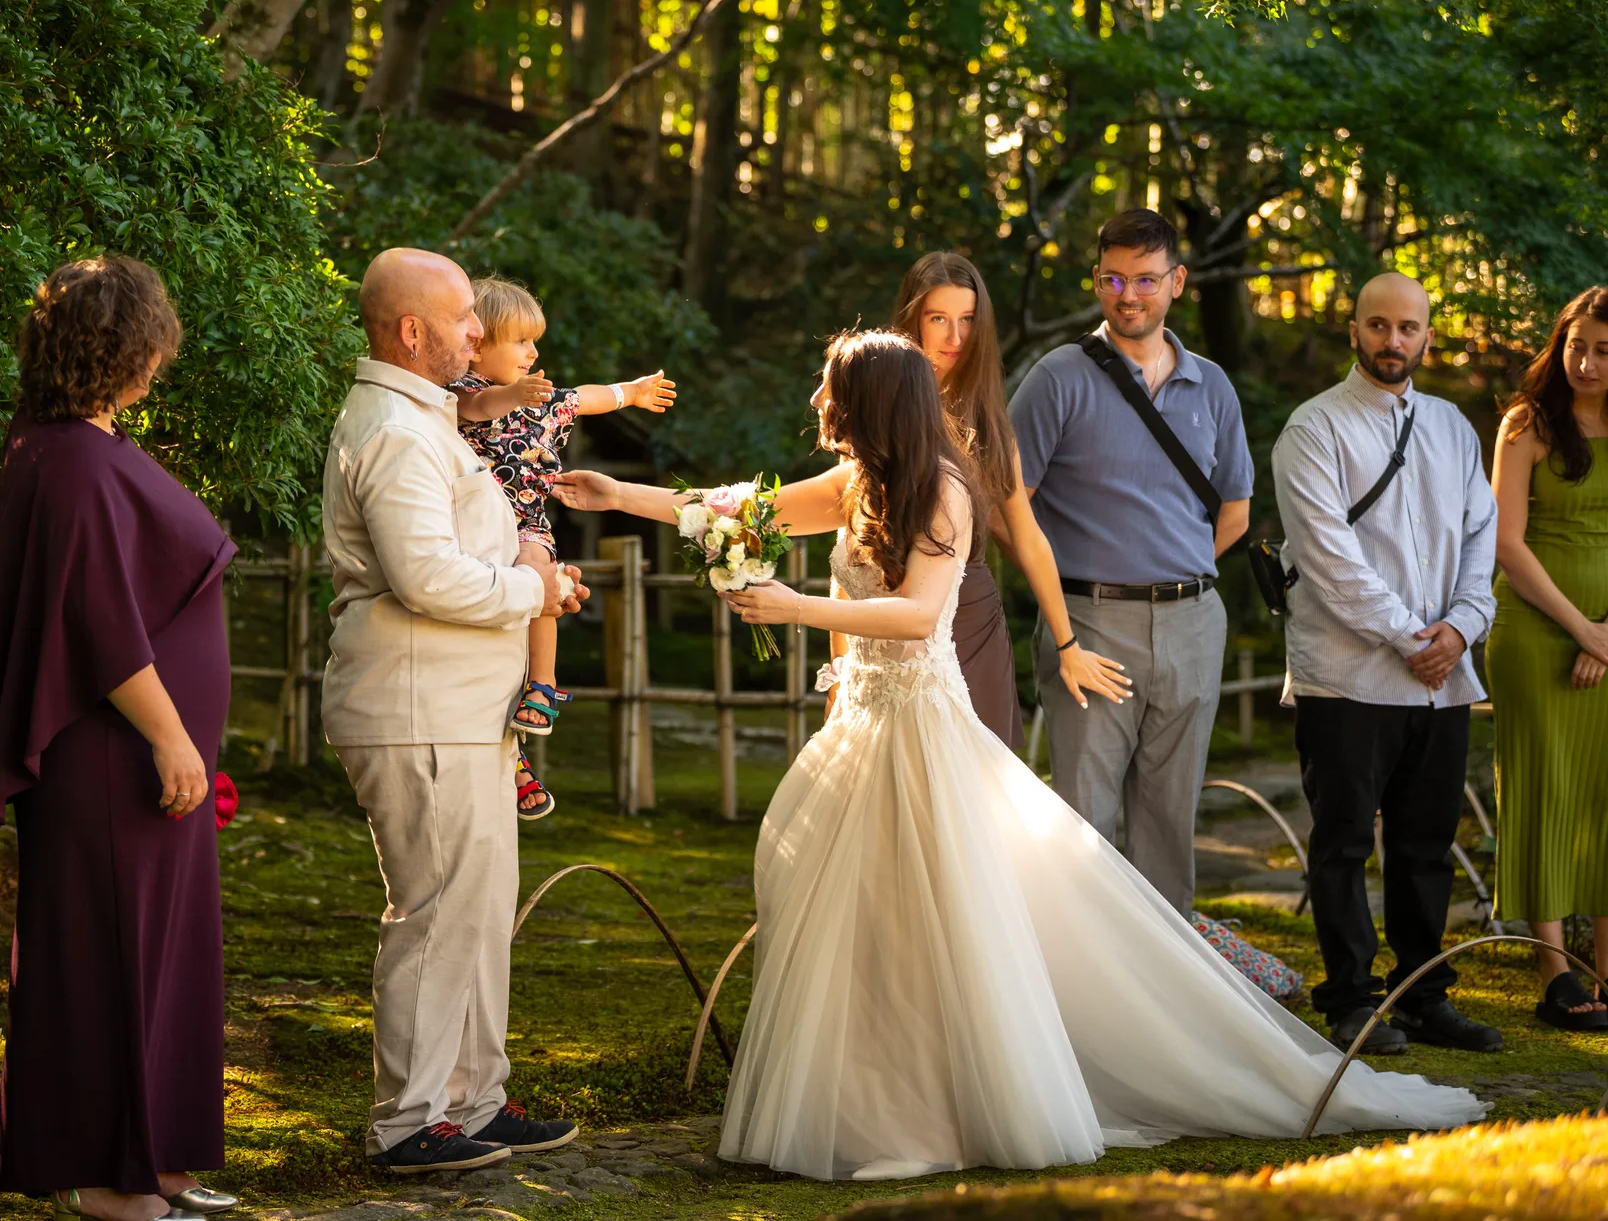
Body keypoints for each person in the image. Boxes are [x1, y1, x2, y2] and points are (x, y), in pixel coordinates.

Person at [552, 330, 1481, 1182]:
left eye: (835, 392)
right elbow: (742, 512)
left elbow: (920, 616)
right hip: (865, 726)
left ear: (875, 400)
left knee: (946, 917)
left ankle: (940, 1107)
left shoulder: (945, 487)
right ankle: (869, 1097)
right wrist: (620, 495)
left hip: (922, 727)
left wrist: (801, 611)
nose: (822, 406)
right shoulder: (858, 479)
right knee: (865, 921)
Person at [0, 257, 238, 1221]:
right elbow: (99, 622)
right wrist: (171, 736)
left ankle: (164, 1161)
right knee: (110, 959)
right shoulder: (67, 457)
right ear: (129, 346)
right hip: (116, 756)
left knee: (165, 956)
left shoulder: (73, 445)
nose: (161, 360)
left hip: (139, 757)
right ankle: (114, 1186)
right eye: (154, 343)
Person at [322, 248, 586, 1174]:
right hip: (415, 706)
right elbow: (425, 576)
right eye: (465, 316)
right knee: (435, 913)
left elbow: (465, 546)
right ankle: (407, 1122)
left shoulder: (428, 418)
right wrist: (529, 584)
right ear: (412, 331)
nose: (479, 331)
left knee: (479, 909)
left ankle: (473, 1099)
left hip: (464, 710)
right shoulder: (394, 428)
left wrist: (533, 567)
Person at [1271, 272, 1502, 1056]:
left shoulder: (1452, 428)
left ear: (1428, 334)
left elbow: (1481, 537)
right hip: (1348, 673)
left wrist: (1462, 627)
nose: (1392, 341)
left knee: (1426, 843)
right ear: (1354, 330)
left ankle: (1422, 995)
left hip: (1439, 677)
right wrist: (1416, 639)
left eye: (1408, 328)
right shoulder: (1313, 430)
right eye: (1378, 325)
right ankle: (1349, 998)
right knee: (1342, 841)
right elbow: (1330, 561)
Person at [1006, 209, 1253, 915]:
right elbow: (1006, 508)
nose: (1128, 294)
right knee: (1083, 817)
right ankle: (1082, 997)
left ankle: (1162, 998)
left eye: (1146, 279)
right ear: (1096, 281)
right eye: (1113, 278)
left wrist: (1171, 572)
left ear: (1177, 281)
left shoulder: (1213, 387)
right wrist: (1066, 614)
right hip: (1088, 620)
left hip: (1193, 623)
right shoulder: (1057, 378)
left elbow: (1234, 510)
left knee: (1170, 822)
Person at [868, 251, 1131, 742]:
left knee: (978, 795)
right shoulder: (875, 410)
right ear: (912, 321)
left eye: (968, 320)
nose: (955, 338)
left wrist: (1067, 644)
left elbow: (1026, 536)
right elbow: (849, 530)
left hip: (969, 621)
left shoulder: (987, 424)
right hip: (886, 612)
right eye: (939, 319)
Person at [449, 275, 676, 818]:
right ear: (478, 342)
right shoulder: (454, 391)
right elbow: (478, 408)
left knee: (541, 582)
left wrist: (632, 393)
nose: (534, 353)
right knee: (480, 661)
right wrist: (510, 396)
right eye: (521, 341)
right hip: (470, 538)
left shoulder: (541, 404)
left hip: (526, 530)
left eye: (535, 341)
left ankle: (543, 687)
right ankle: (516, 759)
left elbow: (587, 397)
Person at [1486, 285, 1608, 1031]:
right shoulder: (1526, 425)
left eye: (1602, 350)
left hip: (1607, 636)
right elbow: (1506, 544)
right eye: (1576, 345)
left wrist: (1606, 632)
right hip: (1535, 635)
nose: (1586, 362)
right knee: (1543, 789)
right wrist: (1582, 630)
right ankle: (1557, 972)